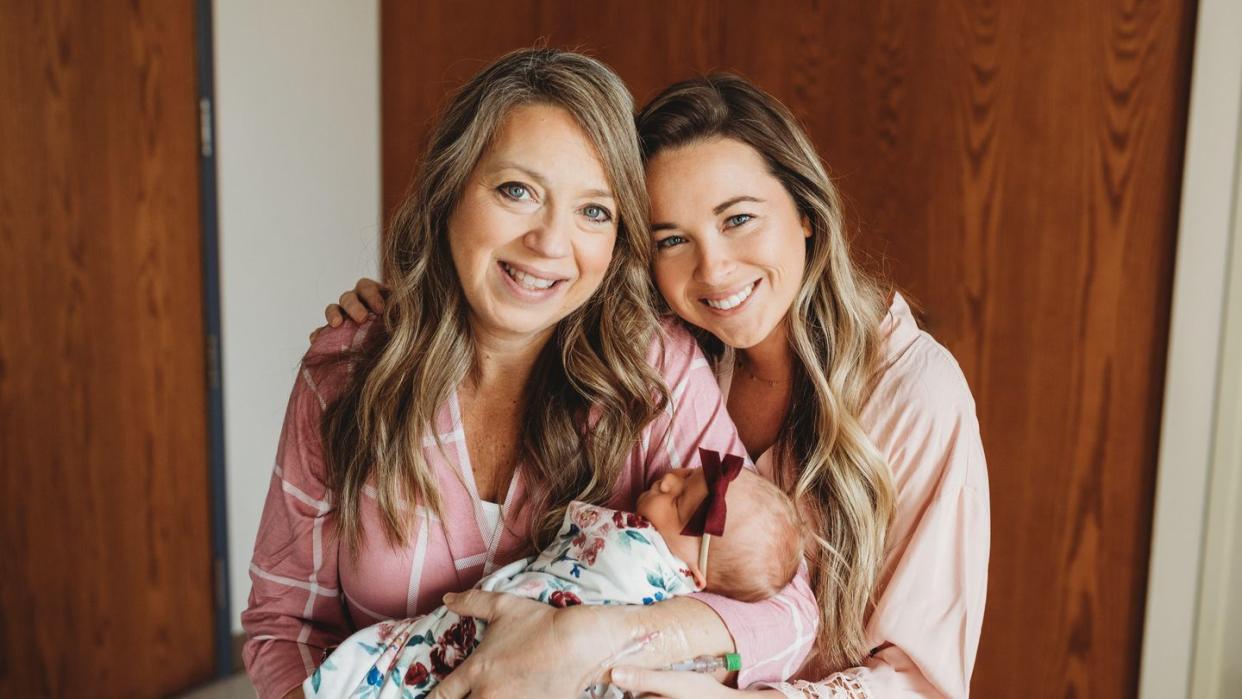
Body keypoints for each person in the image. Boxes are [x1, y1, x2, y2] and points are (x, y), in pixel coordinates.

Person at [324, 73, 989, 698]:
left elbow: (922, 682)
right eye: (672, 238)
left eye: (738, 219)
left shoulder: (914, 393)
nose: (714, 268)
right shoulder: (666, 354)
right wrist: (412, 310)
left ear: (806, 211)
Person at [243, 50, 819, 699]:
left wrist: (600, 641)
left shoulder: (654, 370)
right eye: (518, 191)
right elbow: (283, 623)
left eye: (594, 210)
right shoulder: (348, 373)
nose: (550, 241)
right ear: (450, 187)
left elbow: (790, 615)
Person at [305, 459, 803, 698]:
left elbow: (796, 611)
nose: (669, 476)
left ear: (694, 575)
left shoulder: (640, 562)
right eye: (686, 473)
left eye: (680, 500)